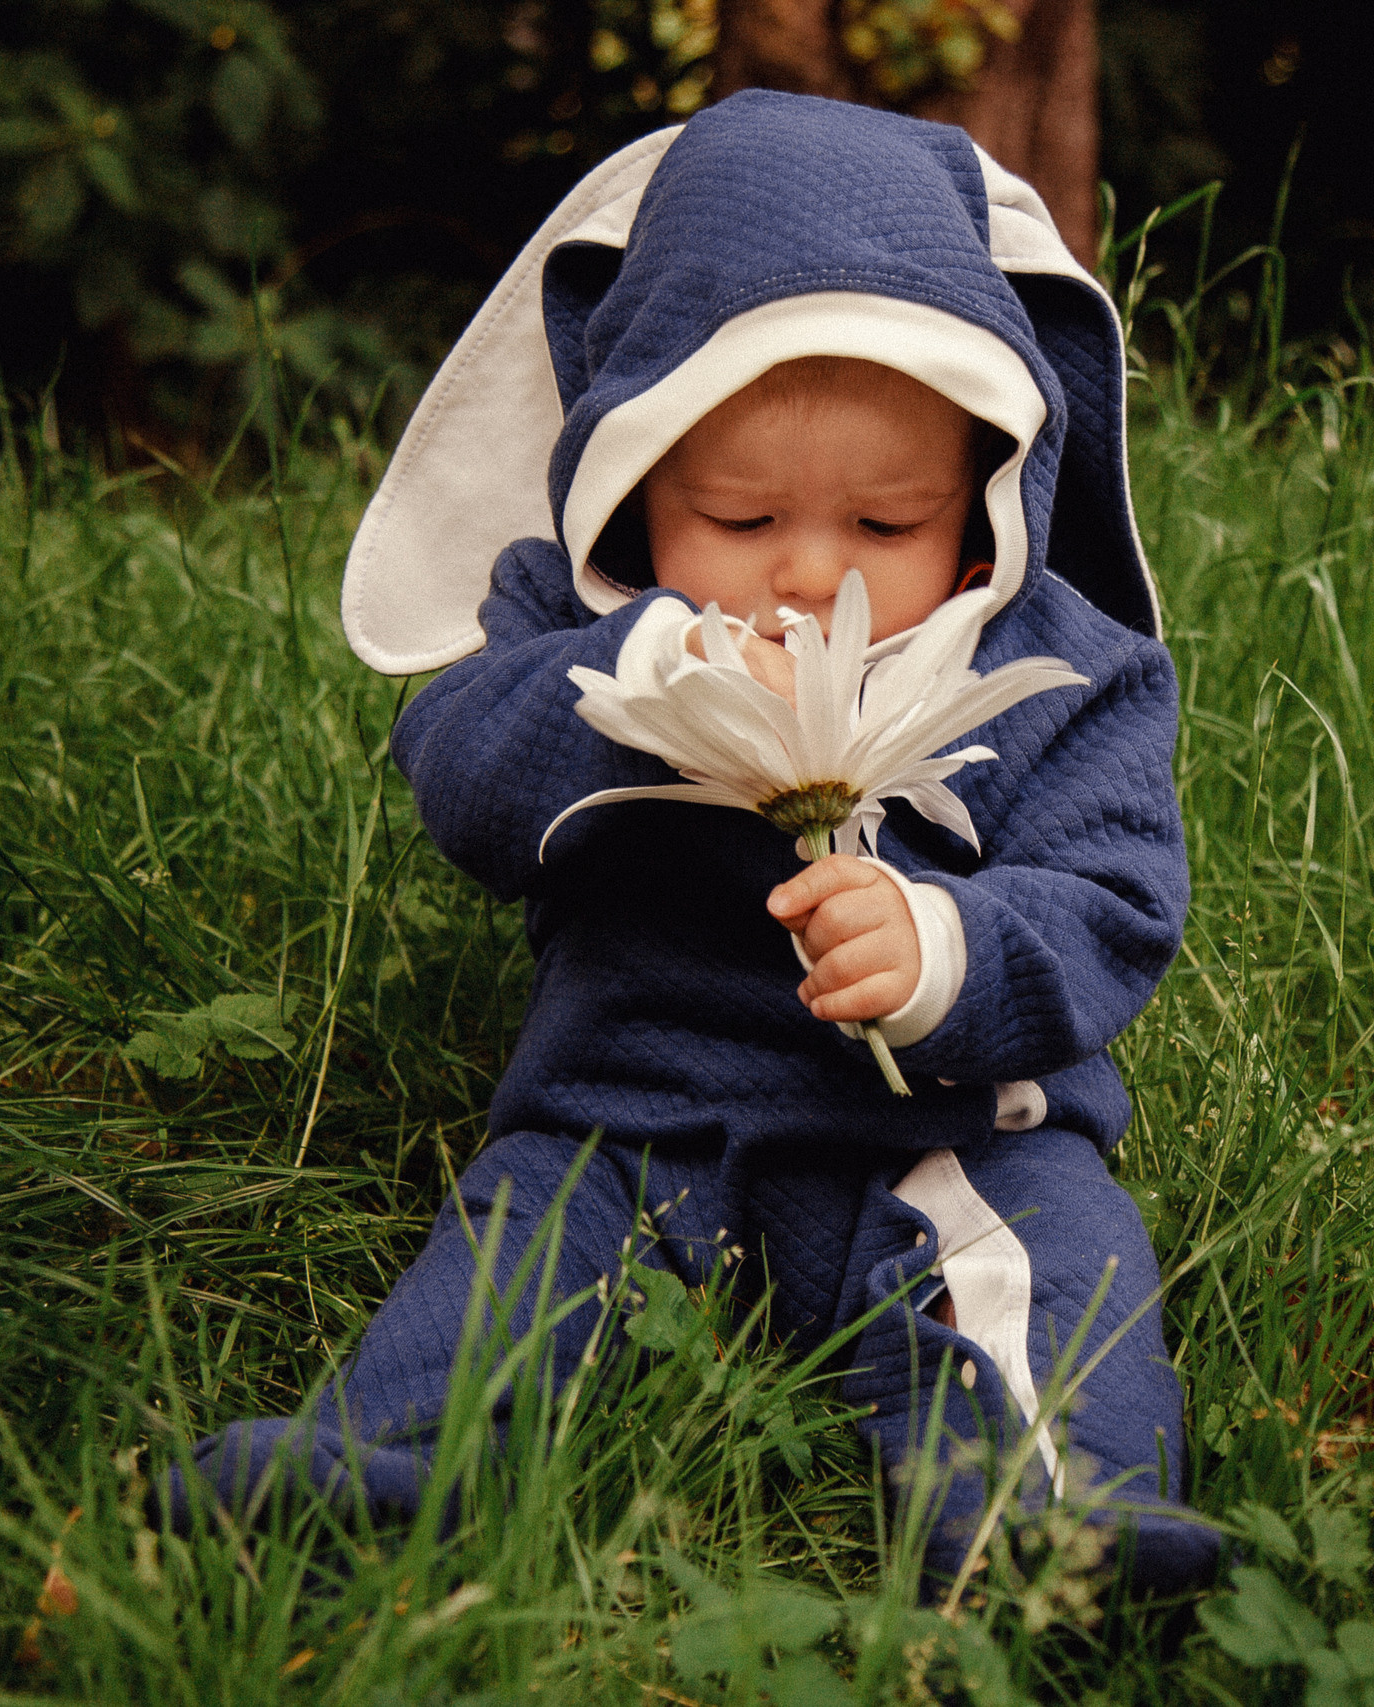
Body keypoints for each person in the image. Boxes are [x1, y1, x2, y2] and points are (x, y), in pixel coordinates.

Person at [161, 89, 1220, 1592]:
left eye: (886, 523)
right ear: (633, 483)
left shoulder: (1064, 667)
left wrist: (948, 950)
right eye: (734, 517)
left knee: (1051, 1272)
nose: (804, 576)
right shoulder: (575, 628)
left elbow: (1117, 901)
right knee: (507, 1276)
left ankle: (1048, 1534)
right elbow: (462, 779)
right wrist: (650, 683)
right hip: (624, 1120)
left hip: (938, 1133)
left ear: (984, 498)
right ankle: (385, 1488)